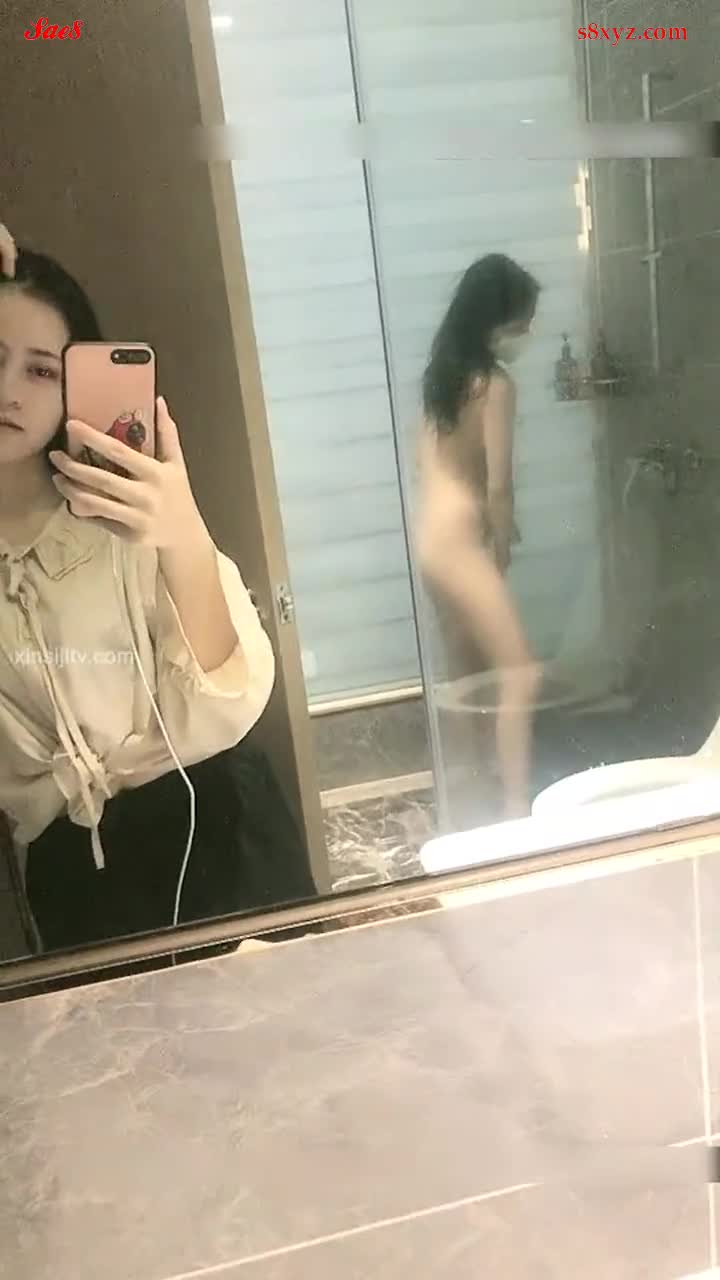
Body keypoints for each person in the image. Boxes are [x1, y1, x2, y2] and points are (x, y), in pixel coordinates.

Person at [0, 232, 316, 951]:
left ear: (73, 388)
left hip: (215, 826)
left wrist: (183, 533)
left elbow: (229, 689)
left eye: (41, 370)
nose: (8, 390)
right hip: (69, 868)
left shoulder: (128, 512)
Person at [416, 253, 542, 820]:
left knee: (466, 676)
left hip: (431, 542)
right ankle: (515, 808)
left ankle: (468, 799)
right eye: (523, 321)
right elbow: (498, 486)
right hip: (461, 545)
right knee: (520, 672)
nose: (528, 332)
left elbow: (428, 463)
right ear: (497, 320)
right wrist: (502, 547)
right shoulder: (493, 385)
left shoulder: (441, 379)